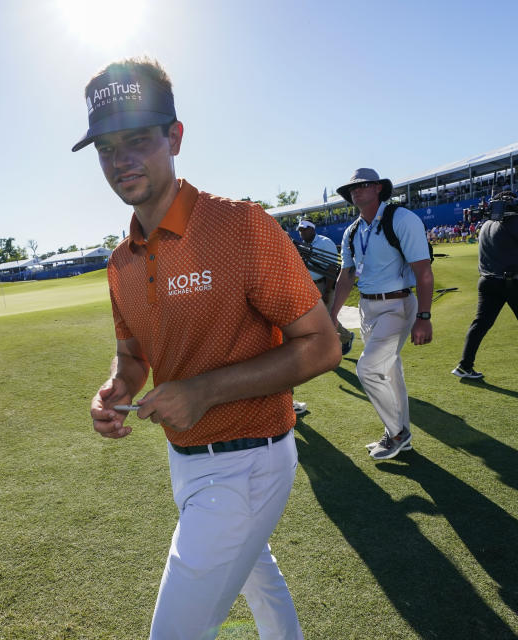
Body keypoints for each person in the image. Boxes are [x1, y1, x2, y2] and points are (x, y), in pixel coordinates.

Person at [80, 57, 341, 639]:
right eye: (106, 148)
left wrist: (204, 391)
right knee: (258, 576)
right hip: (186, 461)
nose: (120, 160)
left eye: (137, 140)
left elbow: (323, 347)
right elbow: (131, 355)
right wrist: (117, 386)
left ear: (174, 137)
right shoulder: (121, 262)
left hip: (248, 462)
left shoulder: (242, 226)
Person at [329, 168, 434, 460]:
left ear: (378, 188)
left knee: (368, 369)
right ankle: (401, 433)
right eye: (352, 188)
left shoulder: (401, 219)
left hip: (398, 305)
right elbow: (346, 275)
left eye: (363, 186)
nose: (355, 191)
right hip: (368, 307)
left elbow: (423, 271)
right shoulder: (352, 231)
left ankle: (397, 434)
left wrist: (424, 317)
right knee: (389, 370)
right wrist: (331, 317)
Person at [450, 194, 518, 379]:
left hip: (488, 281)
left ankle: (464, 366)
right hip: (514, 282)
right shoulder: (513, 222)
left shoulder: (488, 223)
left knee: (480, 325)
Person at [296, 219, 355, 355]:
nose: (302, 233)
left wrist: (328, 291)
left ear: (312, 229)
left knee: (327, 318)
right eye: (300, 230)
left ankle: (345, 338)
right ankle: (339, 340)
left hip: (324, 285)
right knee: (317, 319)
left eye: (304, 229)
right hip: (310, 287)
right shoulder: (303, 245)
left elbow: (331, 268)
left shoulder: (324, 242)